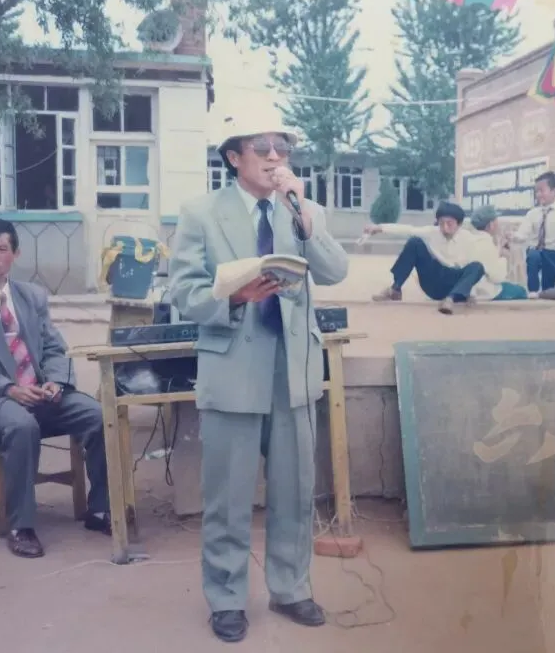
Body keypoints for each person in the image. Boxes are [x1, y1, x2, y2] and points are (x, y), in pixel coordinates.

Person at [169, 117, 349, 643]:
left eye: (283, 147)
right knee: (228, 495)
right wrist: (232, 297)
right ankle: (226, 598)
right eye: (263, 147)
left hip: (292, 367)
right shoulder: (201, 213)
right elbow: (184, 291)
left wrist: (305, 219)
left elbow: (335, 271)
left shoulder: (304, 210)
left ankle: (290, 588)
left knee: (295, 489)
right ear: (234, 157)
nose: (275, 157)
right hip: (233, 364)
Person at [0, 218, 110, 559]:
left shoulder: (31, 296)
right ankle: (21, 526)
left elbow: (54, 348)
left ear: (15, 254)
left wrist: (55, 382)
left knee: (98, 415)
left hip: (38, 393)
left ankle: (101, 509)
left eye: (1, 249)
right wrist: (9, 389)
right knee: (21, 425)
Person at [366, 201, 493, 314]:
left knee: (478, 266)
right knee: (414, 242)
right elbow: (408, 230)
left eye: (449, 224)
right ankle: (395, 289)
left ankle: (450, 300)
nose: (445, 228)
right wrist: (379, 228)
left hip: (454, 285)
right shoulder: (432, 232)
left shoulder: (468, 239)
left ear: (459, 224)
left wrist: (471, 293)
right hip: (433, 282)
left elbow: (472, 271)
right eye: (441, 223)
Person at [512, 172, 555, 296]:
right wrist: (514, 236)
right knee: (533, 255)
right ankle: (533, 291)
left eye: (542, 190)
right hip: (535, 250)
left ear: (554, 191)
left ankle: (547, 291)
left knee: (550, 266)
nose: (538, 195)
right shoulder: (532, 214)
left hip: (553, 252)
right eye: (536, 191)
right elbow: (523, 233)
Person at [468, 205, 528, 302]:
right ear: (491, 225)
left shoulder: (471, 239)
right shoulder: (486, 243)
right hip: (486, 291)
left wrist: (499, 250)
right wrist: (504, 257)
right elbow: (497, 277)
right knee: (521, 291)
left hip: (472, 289)